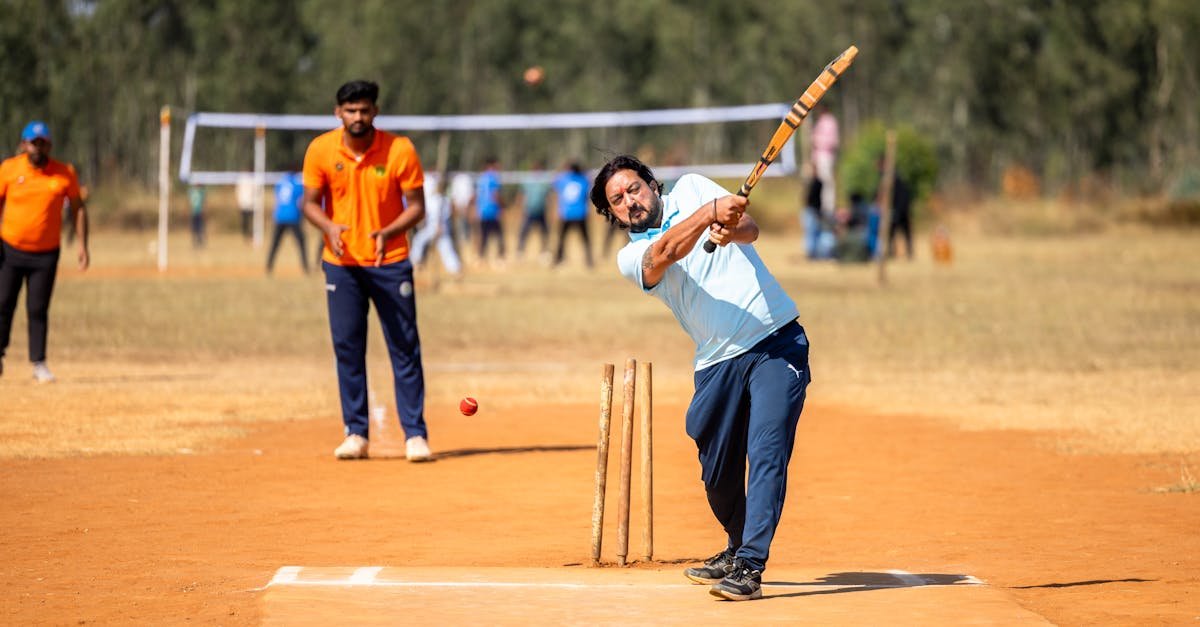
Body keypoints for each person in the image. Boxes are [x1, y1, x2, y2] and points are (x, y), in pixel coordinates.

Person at [590, 155, 811, 601]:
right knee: (717, 473)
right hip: (716, 361)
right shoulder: (630, 256)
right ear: (612, 214)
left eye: (633, 189)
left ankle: (750, 565)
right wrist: (710, 215)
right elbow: (667, 252)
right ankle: (735, 545)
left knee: (765, 452)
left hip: (775, 340)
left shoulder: (692, 186)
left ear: (652, 184)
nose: (630, 201)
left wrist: (733, 228)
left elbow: (749, 229)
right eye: (617, 200)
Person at [300, 80, 432, 462]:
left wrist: (389, 231)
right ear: (338, 113)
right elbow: (309, 202)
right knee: (347, 348)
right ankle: (355, 433)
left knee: (404, 347)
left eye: (364, 109)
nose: (358, 117)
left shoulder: (399, 149)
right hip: (342, 265)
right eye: (351, 110)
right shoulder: (321, 149)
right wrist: (328, 226)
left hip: (390, 263)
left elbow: (417, 207)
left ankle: (415, 435)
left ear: (375, 111)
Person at [0, 121, 90, 382]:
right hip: (10, 250)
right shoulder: (9, 169)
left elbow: (78, 209)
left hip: (46, 254)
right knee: (3, 303)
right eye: (33, 142)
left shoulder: (64, 173)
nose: (37, 147)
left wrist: (83, 245)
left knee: (38, 308)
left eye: (42, 142)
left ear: (49, 144)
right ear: (24, 144)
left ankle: (39, 363)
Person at [409, 172, 462, 276]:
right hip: (440, 227)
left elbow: (438, 215)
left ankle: (414, 262)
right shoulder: (441, 199)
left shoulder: (435, 200)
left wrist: (438, 226)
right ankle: (455, 268)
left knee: (419, 241)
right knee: (445, 248)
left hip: (435, 227)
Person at [266, 171, 309, 274]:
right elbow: (301, 201)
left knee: (275, 243)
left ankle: (269, 265)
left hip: (280, 216)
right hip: (293, 216)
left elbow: (278, 198)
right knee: (301, 242)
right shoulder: (297, 184)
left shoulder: (280, 183)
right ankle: (305, 266)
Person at [552, 161, 593, 268]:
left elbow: (554, 182)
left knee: (562, 238)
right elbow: (587, 195)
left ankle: (558, 259)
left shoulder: (563, 179)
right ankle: (589, 260)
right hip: (580, 213)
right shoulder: (583, 179)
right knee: (585, 238)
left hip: (567, 213)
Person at [515, 161, 551, 261]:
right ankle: (520, 251)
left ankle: (544, 251)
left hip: (541, 211)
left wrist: (550, 208)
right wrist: (519, 208)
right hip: (529, 211)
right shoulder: (527, 181)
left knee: (544, 233)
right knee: (524, 232)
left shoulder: (544, 181)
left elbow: (548, 196)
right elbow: (521, 195)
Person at [473, 157, 505, 265]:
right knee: (499, 234)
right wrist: (502, 205)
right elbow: (495, 194)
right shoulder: (494, 178)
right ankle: (500, 256)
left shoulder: (481, 178)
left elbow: (476, 195)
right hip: (492, 211)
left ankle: (480, 257)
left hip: (482, 211)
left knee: (484, 235)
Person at [810, 103, 839, 217]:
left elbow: (832, 141)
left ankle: (828, 207)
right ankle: (821, 205)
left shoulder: (830, 122)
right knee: (820, 182)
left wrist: (817, 140)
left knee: (826, 182)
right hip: (819, 156)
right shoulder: (821, 121)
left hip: (826, 155)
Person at [235, 173, 255, 242]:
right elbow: (238, 192)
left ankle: (250, 234)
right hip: (244, 203)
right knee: (245, 221)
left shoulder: (252, 180)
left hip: (251, 204)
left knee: (251, 220)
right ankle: (246, 234)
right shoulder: (242, 181)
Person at [187, 184, 207, 248]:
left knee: (200, 228)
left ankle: (200, 241)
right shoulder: (192, 192)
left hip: (200, 212)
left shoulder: (201, 192)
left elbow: (204, 201)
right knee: (194, 228)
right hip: (194, 213)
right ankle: (195, 241)